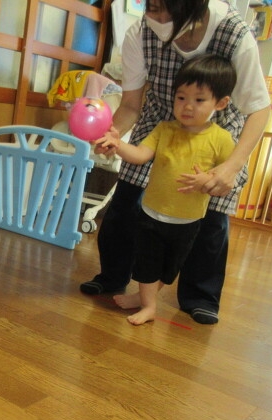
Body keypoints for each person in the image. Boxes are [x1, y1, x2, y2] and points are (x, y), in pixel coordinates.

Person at [80, 0, 270, 325]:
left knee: (211, 219)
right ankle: (113, 276)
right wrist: (113, 135)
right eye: (150, 7)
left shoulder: (234, 33)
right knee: (125, 204)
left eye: (161, 9)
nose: (152, 17)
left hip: (215, 132)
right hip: (160, 126)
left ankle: (200, 296)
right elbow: (131, 104)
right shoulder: (140, 34)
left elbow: (258, 108)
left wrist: (230, 167)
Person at [98, 54, 236, 325]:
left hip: (189, 220)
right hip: (152, 214)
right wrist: (118, 144)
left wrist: (207, 180)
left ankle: (142, 297)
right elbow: (140, 155)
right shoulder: (164, 129)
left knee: (170, 268)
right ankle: (149, 305)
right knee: (147, 262)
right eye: (181, 97)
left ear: (220, 103)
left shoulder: (222, 139)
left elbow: (224, 179)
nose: (187, 106)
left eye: (199, 100)